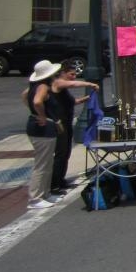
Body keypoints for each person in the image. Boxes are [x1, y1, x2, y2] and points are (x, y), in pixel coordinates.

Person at [50, 61, 98, 194]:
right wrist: (90, 84)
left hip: (67, 122)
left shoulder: (63, 90)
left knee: (66, 152)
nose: (74, 77)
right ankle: (54, 184)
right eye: (71, 74)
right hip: (59, 124)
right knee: (60, 153)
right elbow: (73, 84)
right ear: (63, 73)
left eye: (75, 74)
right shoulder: (57, 83)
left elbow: (73, 102)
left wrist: (86, 99)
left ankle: (61, 180)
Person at [22, 60, 65, 209]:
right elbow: (37, 102)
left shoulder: (34, 86)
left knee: (47, 163)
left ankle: (45, 193)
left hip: (39, 127)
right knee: (42, 164)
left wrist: (35, 113)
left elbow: (25, 97)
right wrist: (41, 115)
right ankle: (35, 198)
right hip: (42, 129)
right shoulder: (43, 87)